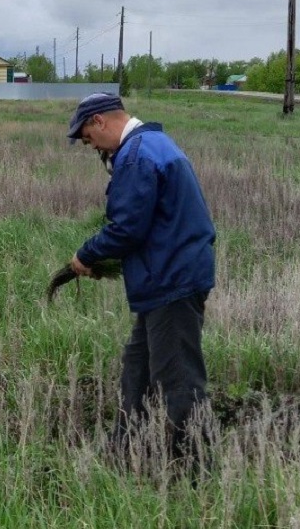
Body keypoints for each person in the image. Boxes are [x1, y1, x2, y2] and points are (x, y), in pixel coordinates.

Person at [66, 93, 216, 463]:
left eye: (87, 138)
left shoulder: (136, 155)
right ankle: (126, 450)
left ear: (99, 121)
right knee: (138, 369)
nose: (91, 146)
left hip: (171, 281)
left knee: (178, 379)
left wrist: (86, 256)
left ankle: (197, 466)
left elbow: (127, 229)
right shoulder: (155, 143)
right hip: (164, 278)